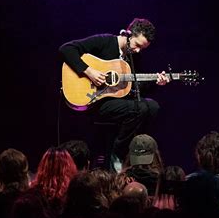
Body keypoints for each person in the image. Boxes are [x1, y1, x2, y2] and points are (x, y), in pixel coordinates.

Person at [59, 18, 170, 170]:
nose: (138, 51)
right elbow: (66, 49)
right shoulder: (105, 41)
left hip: (115, 103)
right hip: (95, 102)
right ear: (128, 35)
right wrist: (89, 71)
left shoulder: (134, 57)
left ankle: (135, 154)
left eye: (142, 49)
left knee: (153, 106)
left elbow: (136, 87)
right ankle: (119, 152)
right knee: (140, 108)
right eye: (137, 45)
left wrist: (156, 82)